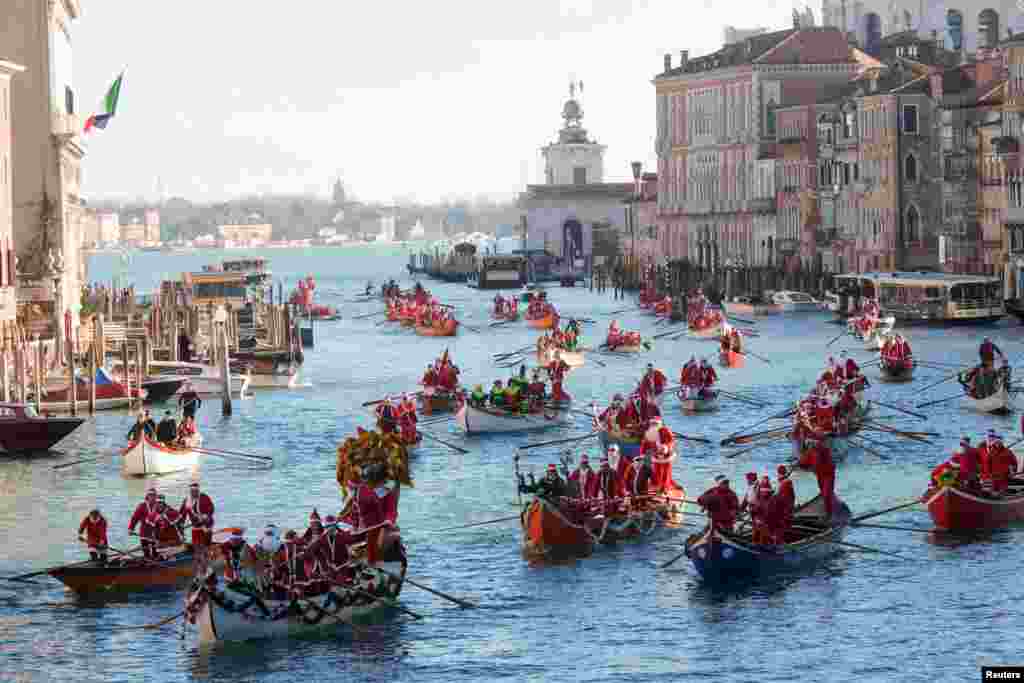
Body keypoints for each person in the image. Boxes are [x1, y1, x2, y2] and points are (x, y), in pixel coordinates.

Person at [179, 481, 215, 549]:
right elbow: (182, 513)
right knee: (196, 544)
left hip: (206, 525)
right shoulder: (186, 500)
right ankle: (198, 554)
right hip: (195, 525)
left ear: (198, 490)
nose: (194, 492)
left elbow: (211, 508)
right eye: (192, 491)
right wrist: (181, 524)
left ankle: (206, 553)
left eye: (196, 491)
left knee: (206, 545)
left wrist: (207, 516)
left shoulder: (204, 497)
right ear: (190, 491)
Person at [129, 488, 160, 559]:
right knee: (146, 552)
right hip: (144, 532)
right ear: (147, 496)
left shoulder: (159, 506)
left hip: (155, 533)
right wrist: (131, 528)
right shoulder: (142, 506)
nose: (152, 497)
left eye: (154, 495)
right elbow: (135, 518)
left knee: (155, 552)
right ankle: (147, 561)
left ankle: (156, 561)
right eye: (150, 495)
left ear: (156, 496)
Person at [774, 465, 795, 544]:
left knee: (781, 529)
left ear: (778, 473)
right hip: (786, 510)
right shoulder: (784, 482)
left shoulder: (785, 483)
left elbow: (783, 499)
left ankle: (782, 542)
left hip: (784, 512)